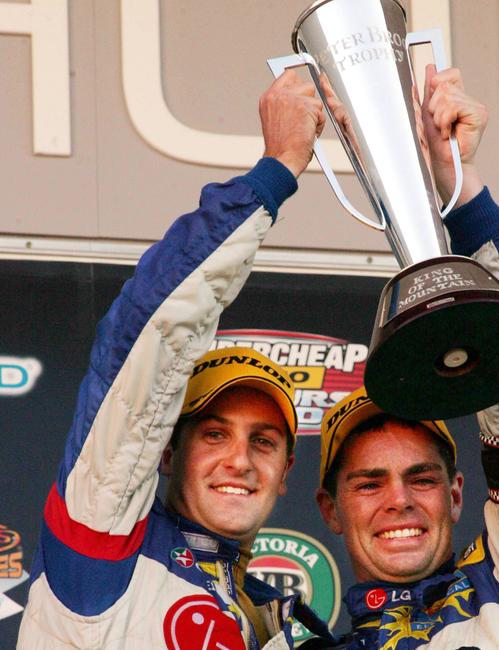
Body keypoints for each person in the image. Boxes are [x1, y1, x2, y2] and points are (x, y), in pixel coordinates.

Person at [17, 71, 335, 650]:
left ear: (287, 473)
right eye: (214, 434)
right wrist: (275, 171)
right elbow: (154, 330)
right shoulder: (103, 548)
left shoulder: (278, 624)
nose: (239, 460)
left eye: (263, 441)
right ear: (167, 451)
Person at [316, 65, 499, 650]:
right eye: (367, 484)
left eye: (422, 477)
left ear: (457, 493)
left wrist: (459, 191)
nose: (400, 500)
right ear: (330, 509)